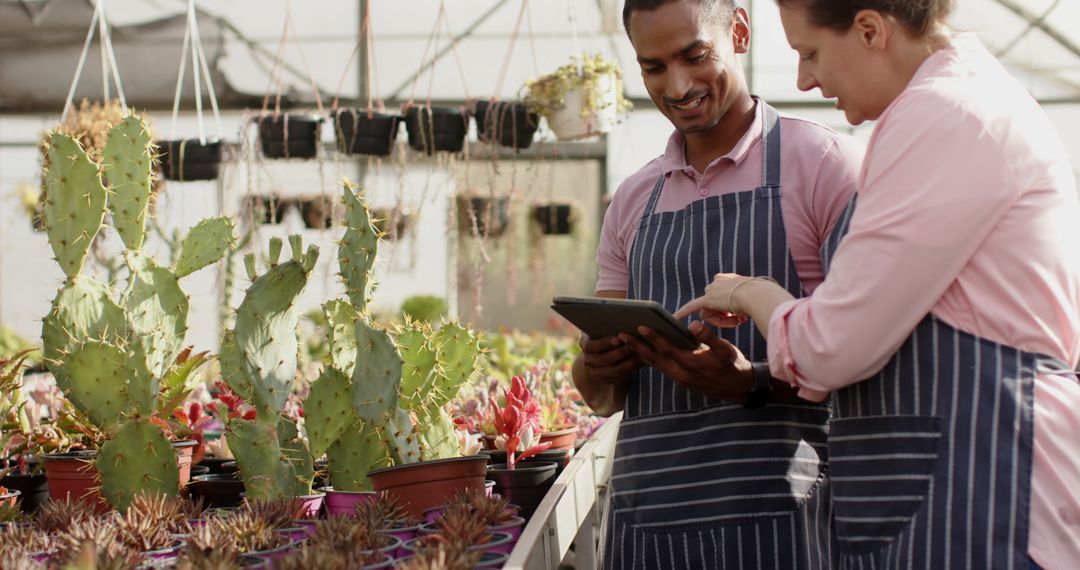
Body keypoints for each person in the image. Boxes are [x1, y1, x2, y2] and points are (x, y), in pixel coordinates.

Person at [673, 1, 1080, 569]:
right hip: (948, 493)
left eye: (809, 53)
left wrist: (751, 291)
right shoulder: (949, 108)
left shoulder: (947, 115)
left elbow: (832, 346)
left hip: (984, 488)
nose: (804, 79)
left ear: (869, 30)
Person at [570, 0, 863, 567]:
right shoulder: (632, 200)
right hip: (649, 524)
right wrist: (597, 367)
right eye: (653, 68)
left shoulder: (825, 167)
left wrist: (751, 382)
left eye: (694, 56)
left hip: (787, 525)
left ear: (741, 32)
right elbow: (600, 396)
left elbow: (865, 363)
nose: (677, 86)